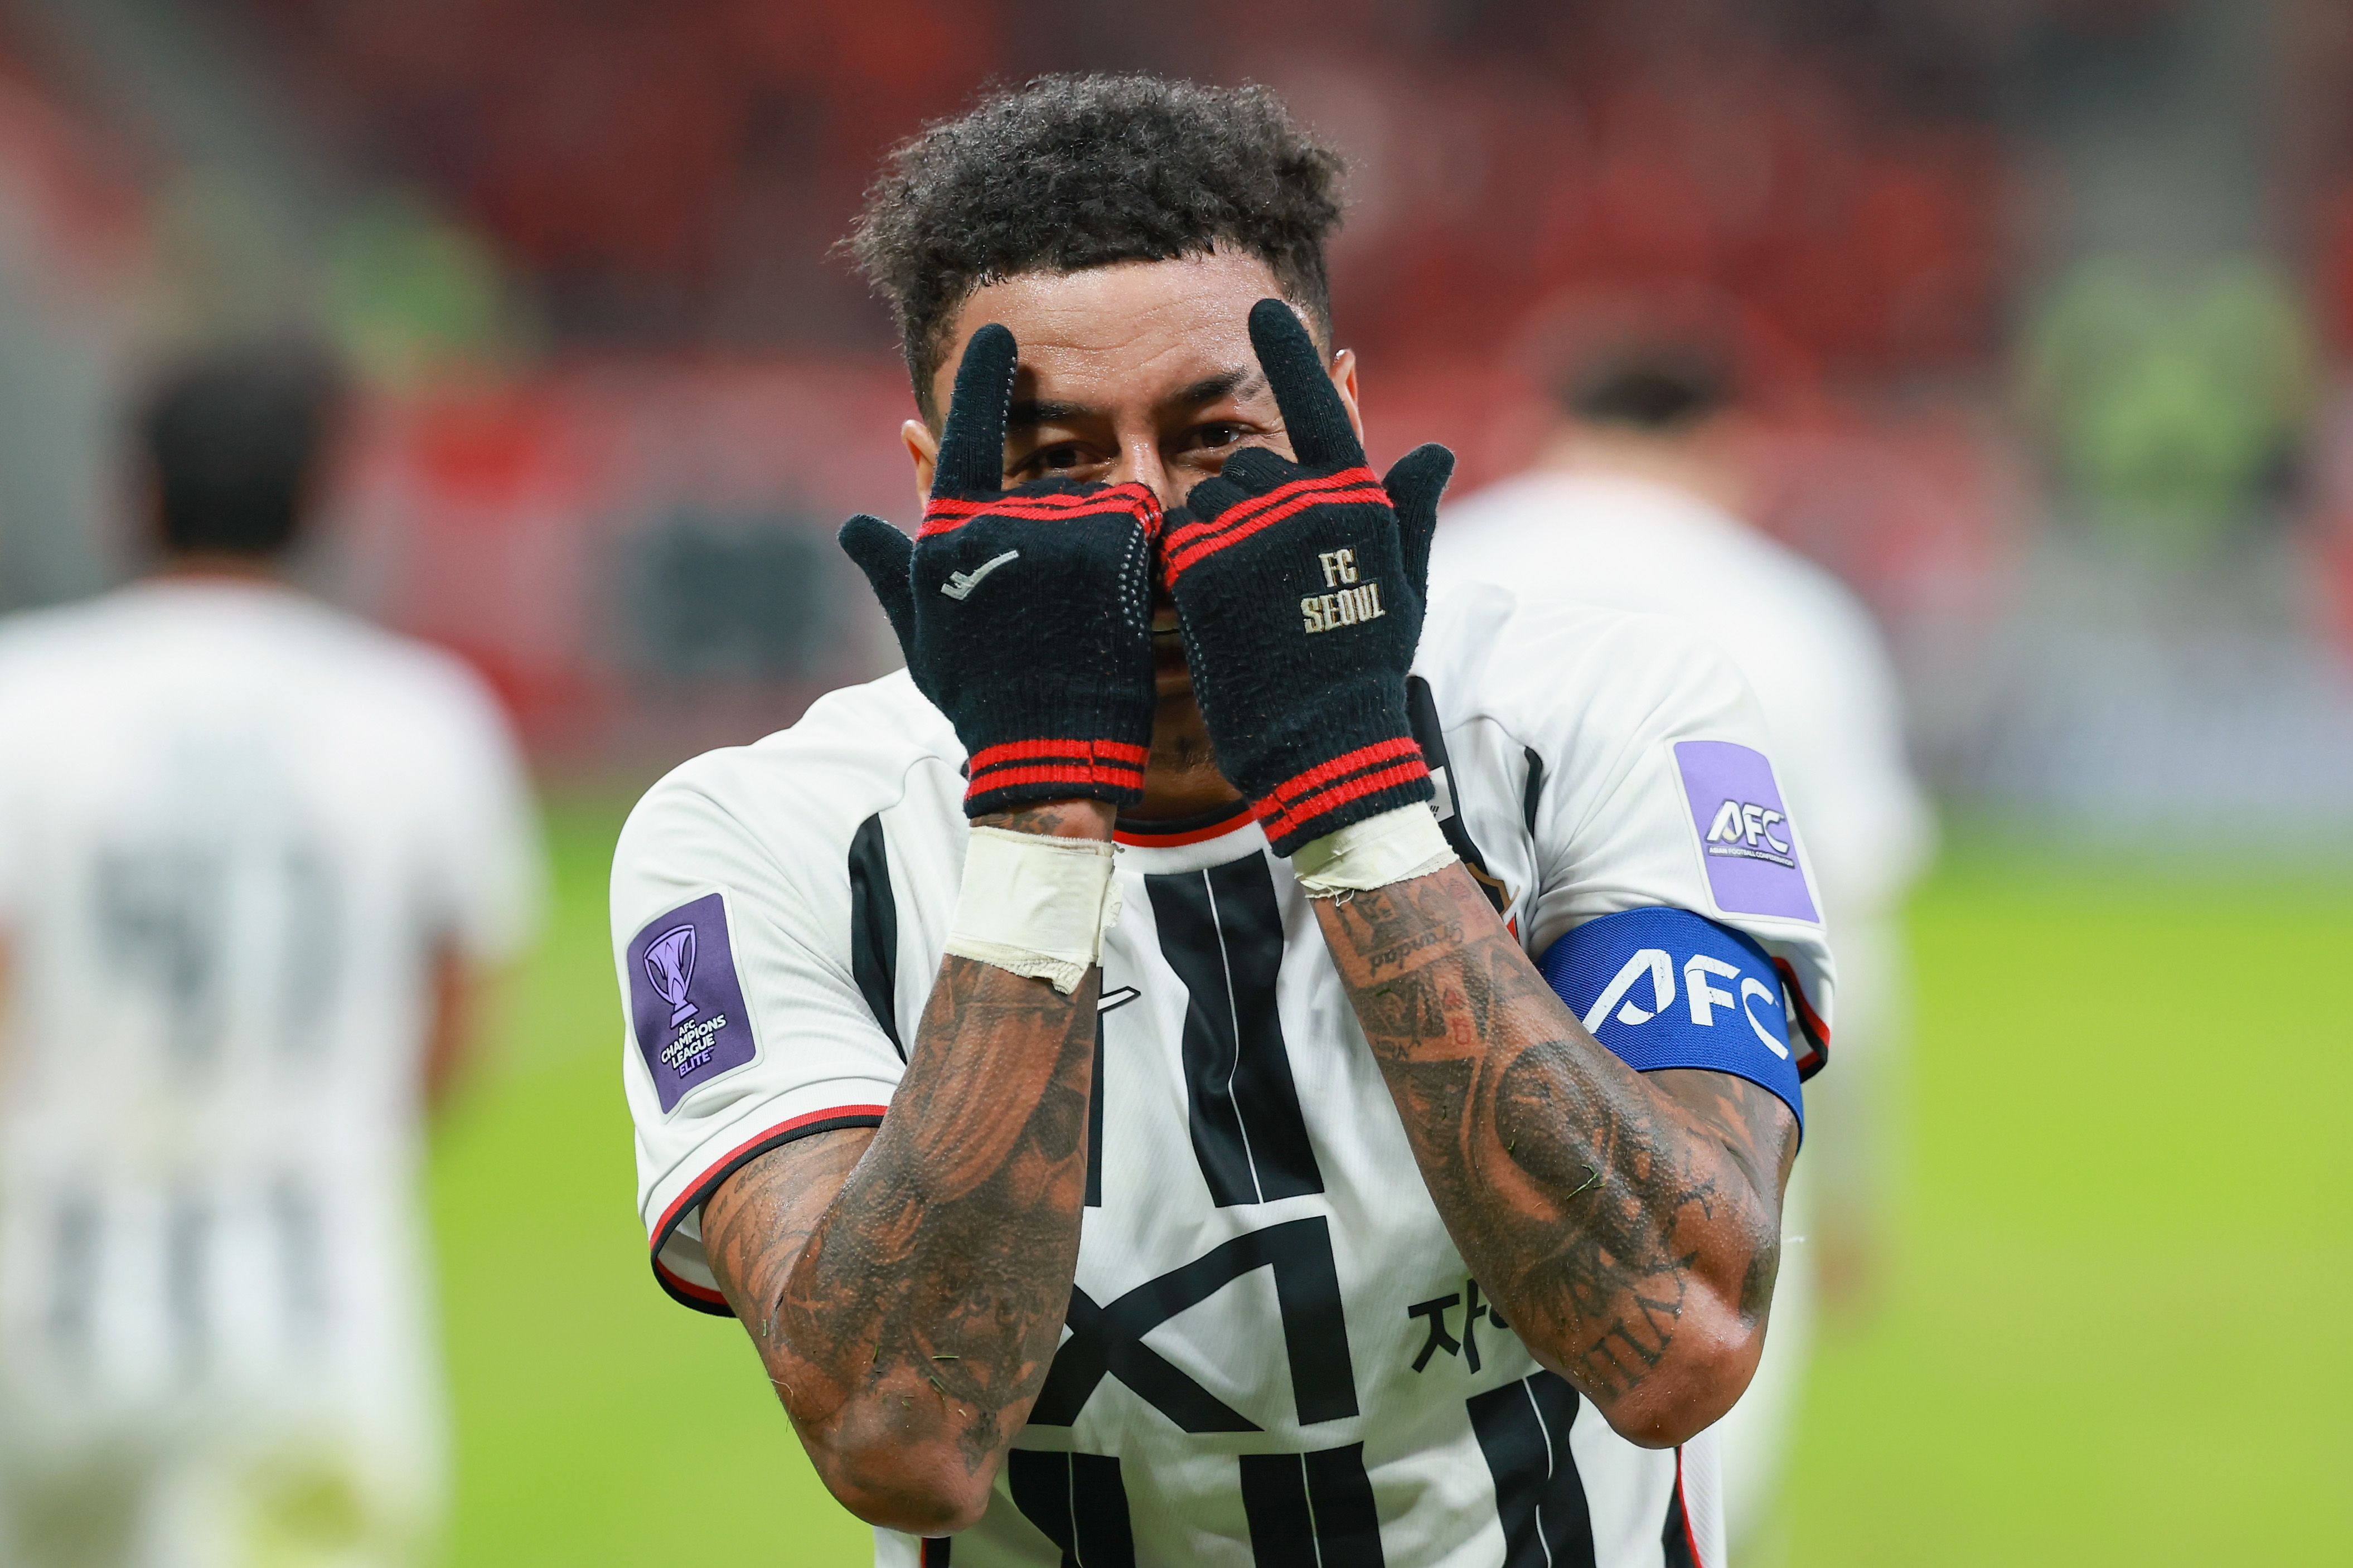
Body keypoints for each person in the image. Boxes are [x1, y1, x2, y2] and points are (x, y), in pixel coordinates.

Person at [613, 76, 1835, 1567]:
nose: (1149, 522)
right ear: (935, 488)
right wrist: (1042, 813)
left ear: (1339, 420)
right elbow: (897, 1439)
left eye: (1216, 437)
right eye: (1054, 460)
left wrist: (1346, 786)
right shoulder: (752, 841)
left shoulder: (1608, 711)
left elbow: (1680, 1338)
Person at [0, 343, 542, 1567]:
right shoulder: (421, 717)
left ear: (127, 492)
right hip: (311, 1311)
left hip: (46, 1297)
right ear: (324, 505)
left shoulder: (20, 698)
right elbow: (455, 1028)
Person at [1431, 339, 1936, 1556]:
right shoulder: (1787, 615)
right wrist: (1856, 1184)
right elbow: (1846, 939)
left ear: (1550, 423)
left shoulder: (1437, 571)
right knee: (1692, 1496)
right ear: (1726, 445)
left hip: (1425, 1101)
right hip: (1706, 1112)